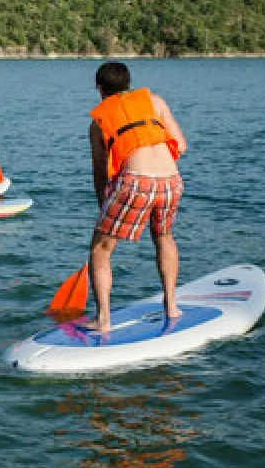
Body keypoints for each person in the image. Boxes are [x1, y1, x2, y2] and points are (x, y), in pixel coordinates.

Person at [83, 61, 188, 332]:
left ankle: (103, 319)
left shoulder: (98, 122)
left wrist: (102, 207)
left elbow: (100, 171)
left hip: (136, 181)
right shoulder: (155, 101)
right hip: (171, 181)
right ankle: (172, 306)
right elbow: (182, 145)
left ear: (99, 88)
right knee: (164, 236)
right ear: (129, 83)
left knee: (100, 249)